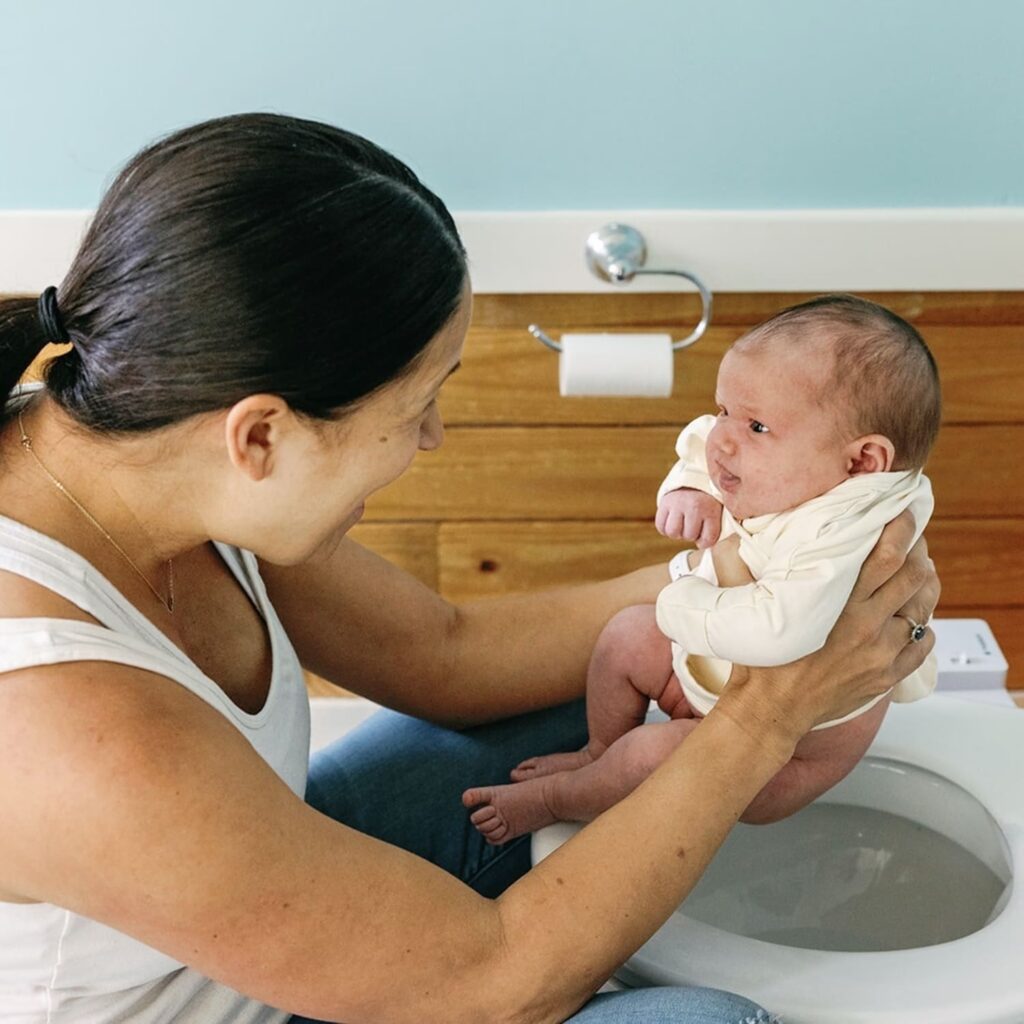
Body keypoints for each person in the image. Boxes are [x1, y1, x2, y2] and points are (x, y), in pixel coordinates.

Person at [0, 113, 937, 1024]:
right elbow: (495, 990)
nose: (434, 437)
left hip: (261, 912)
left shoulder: (157, 445)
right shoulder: (59, 721)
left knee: (596, 692)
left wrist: (779, 572)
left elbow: (444, 653)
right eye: (416, 408)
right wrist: (768, 713)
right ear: (261, 436)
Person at [464, 295, 940, 843]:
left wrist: (680, 598)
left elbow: (779, 630)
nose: (723, 437)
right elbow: (701, 447)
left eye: (756, 425)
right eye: (723, 409)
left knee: (650, 754)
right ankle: (599, 754)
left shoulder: (844, 536)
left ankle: (561, 799)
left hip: (782, 755)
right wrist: (691, 487)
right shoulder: (801, 463)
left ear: (861, 463)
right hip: (720, 679)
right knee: (625, 636)